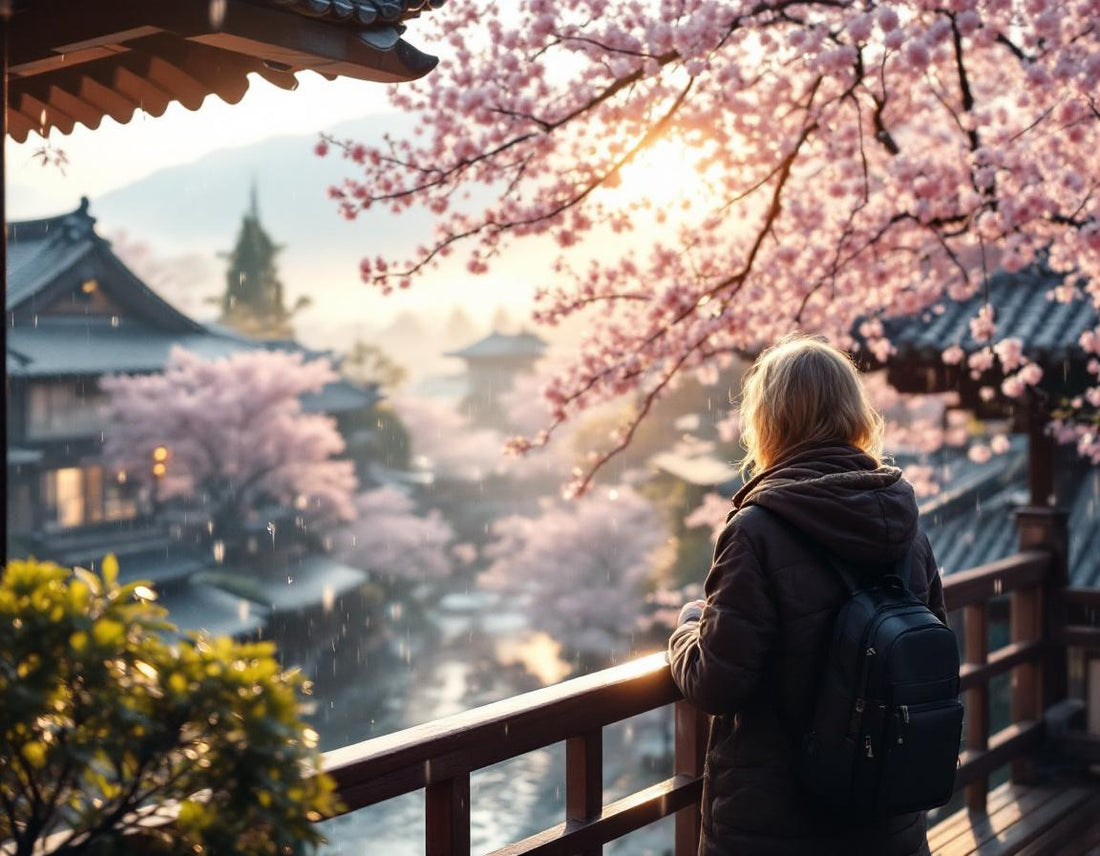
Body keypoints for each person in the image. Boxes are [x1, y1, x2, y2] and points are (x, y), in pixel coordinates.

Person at [668, 334, 946, 856]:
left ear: (768, 421)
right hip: (884, 817)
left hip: (776, 824)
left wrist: (687, 630)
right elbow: (933, 657)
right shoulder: (905, 523)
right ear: (854, 413)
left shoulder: (756, 530)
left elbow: (717, 685)